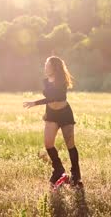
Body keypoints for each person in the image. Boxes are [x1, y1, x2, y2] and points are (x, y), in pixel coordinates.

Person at [23, 56, 83, 188]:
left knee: (70, 145)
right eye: (45, 64)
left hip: (65, 114)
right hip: (51, 114)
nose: (45, 67)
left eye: (47, 65)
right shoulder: (45, 81)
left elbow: (55, 97)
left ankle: (76, 176)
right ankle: (58, 170)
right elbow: (50, 98)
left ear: (54, 67)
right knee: (48, 144)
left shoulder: (62, 81)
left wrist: (35, 103)